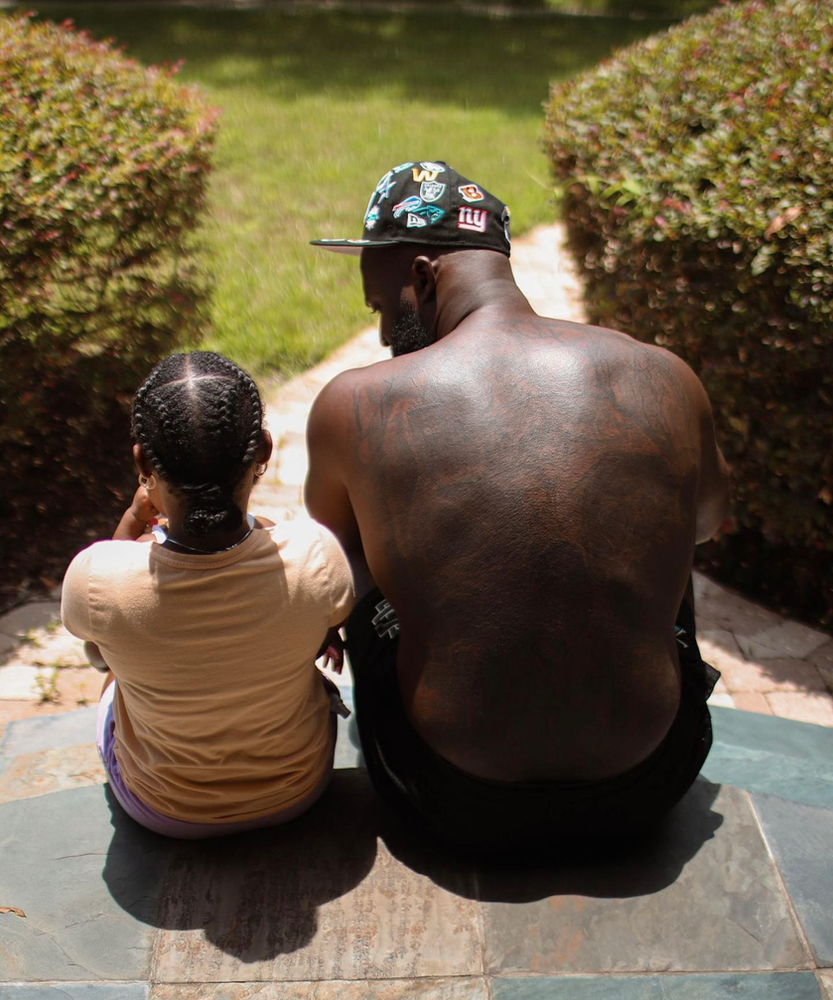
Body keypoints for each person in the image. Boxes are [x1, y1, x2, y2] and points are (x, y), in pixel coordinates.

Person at [306, 161, 730, 856]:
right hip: (648, 785)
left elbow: (327, 571)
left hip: (449, 799)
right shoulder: (663, 375)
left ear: (422, 276)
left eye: (382, 307)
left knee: (355, 558)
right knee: (657, 528)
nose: (384, 333)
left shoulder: (356, 403)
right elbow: (709, 522)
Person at [61, 351, 355, 838]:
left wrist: (135, 520)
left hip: (163, 811)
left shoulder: (95, 579)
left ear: (142, 460)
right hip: (298, 792)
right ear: (263, 451)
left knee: (111, 670)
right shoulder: (315, 556)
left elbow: (104, 644)